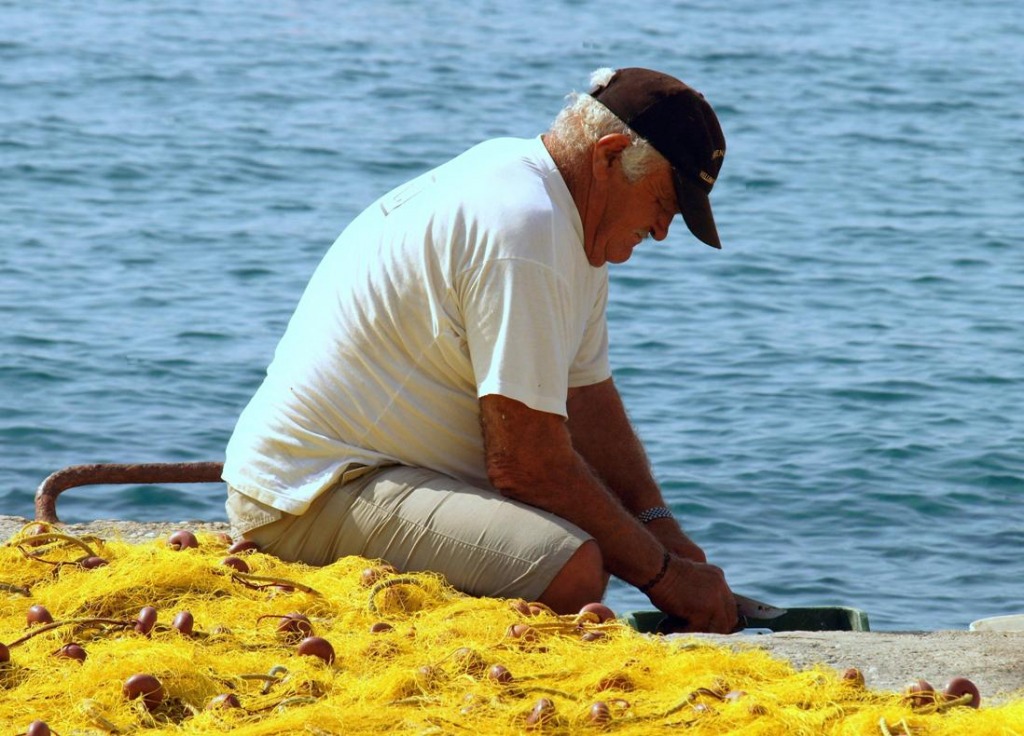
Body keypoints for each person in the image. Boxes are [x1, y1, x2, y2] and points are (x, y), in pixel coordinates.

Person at [223, 67, 739, 633]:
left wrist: (656, 523)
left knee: (608, 536)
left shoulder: (557, 204)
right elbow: (526, 466)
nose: (663, 231)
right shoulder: (527, 231)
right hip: (312, 494)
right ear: (610, 155)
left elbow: (586, 395)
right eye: (665, 203)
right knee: (572, 567)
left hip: (361, 473)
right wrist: (665, 576)